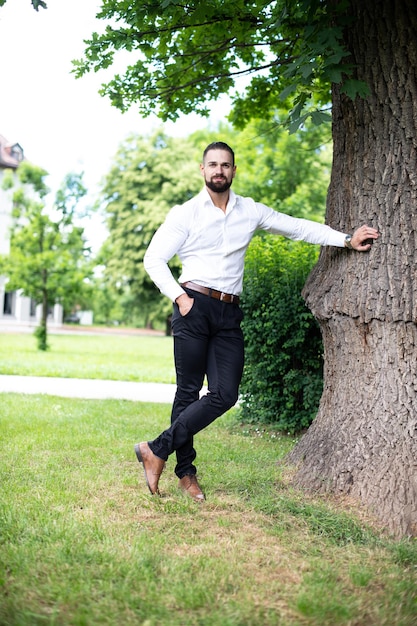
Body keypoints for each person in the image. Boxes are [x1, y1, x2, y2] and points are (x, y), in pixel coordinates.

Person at [135, 141, 379, 502]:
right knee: (187, 392)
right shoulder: (185, 213)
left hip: (229, 312)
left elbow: (295, 227)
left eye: (226, 165)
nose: (219, 170)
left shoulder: (249, 211)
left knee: (225, 394)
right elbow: (153, 259)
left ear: (234, 170)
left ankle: (156, 448)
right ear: (202, 170)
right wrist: (181, 298)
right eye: (213, 164)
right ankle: (186, 473)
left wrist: (344, 238)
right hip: (193, 305)